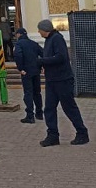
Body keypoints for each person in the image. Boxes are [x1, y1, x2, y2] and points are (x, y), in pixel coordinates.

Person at [36, 19, 88, 147]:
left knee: (69, 107)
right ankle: (52, 135)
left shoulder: (57, 39)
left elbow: (61, 57)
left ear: (45, 29)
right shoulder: (49, 40)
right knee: (49, 108)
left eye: (40, 30)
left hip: (63, 79)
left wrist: (42, 61)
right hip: (52, 80)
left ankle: (82, 133)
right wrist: (44, 63)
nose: (38, 32)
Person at [12, 27, 44, 124]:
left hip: (26, 72)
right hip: (36, 71)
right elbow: (43, 53)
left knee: (28, 93)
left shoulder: (19, 44)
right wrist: (41, 65)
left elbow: (18, 55)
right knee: (37, 93)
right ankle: (39, 114)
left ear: (18, 34)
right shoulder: (34, 43)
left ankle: (30, 116)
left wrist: (20, 68)